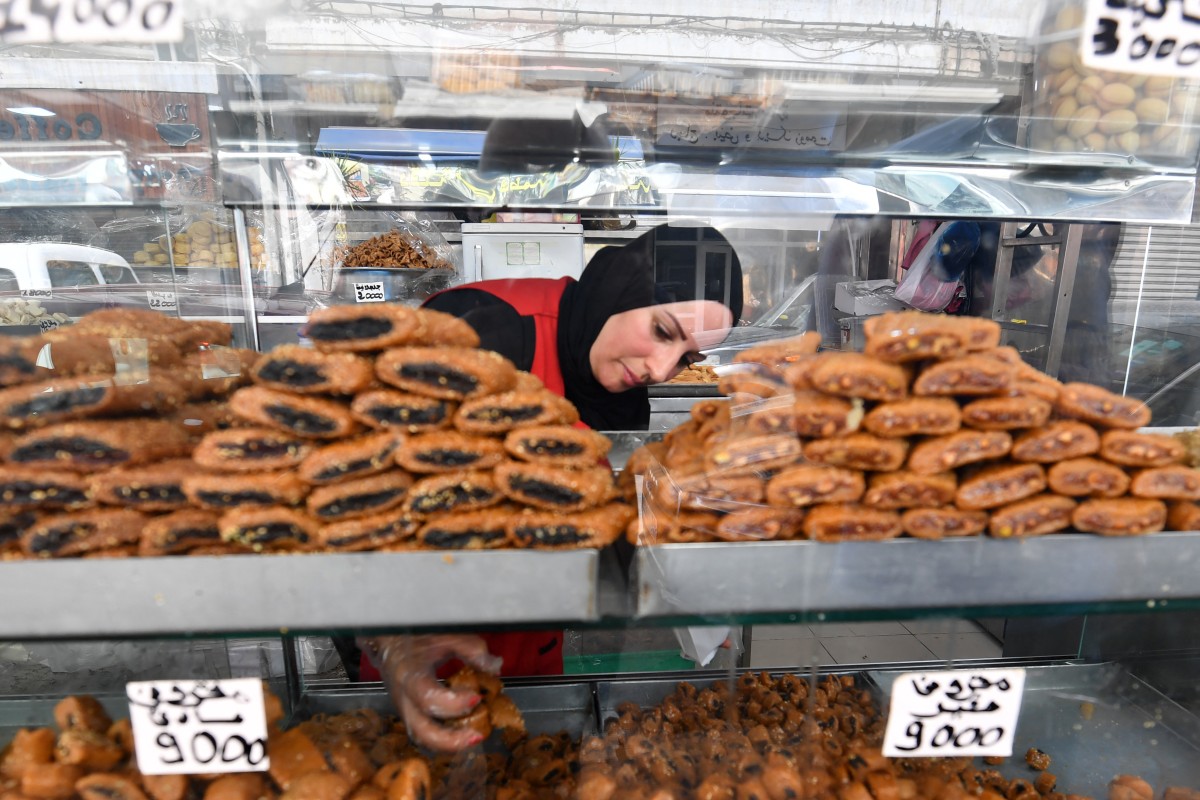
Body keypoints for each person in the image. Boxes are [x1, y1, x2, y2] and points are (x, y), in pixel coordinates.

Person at [358, 225, 743, 752]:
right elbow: (358, 502)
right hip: (420, 661)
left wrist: (688, 581)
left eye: (687, 359)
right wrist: (392, 645)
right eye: (661, 329)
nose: (660, 368)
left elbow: (597, 532)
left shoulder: (623, 396)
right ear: (622, 289)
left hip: (532, 660)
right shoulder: (484, 329)